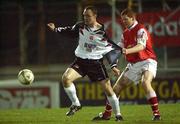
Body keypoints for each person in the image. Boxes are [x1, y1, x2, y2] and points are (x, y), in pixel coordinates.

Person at [47, 6, 123, 121]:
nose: (85, 18)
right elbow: (69, 31)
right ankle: (76, 104)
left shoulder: (101, 33)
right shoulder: (80, 26)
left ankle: (118, 115)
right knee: (66, 79)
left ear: (95, 16)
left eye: (88, 15)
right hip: (80, 61)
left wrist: (113, 66)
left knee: (108, 89)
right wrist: (55, 29)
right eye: (84, 15)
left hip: (95, 63)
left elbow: (111, 49)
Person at [92, 8, 161, 121]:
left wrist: (126, 51)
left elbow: (141, 46)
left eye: (125, 19)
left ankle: (157, 114)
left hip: (147, 61)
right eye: (122, 20)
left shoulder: (141, 30)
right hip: (133, 64)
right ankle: (107, 114)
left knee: (145, 82)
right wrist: (109, 52)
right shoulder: (125, 33)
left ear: (133, 19)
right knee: (116, 89)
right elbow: (118, 48)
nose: (123, 21)